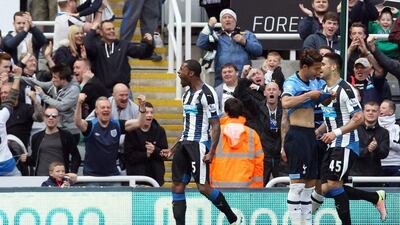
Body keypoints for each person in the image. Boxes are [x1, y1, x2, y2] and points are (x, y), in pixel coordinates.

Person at [160, 60, 242, 225]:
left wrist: (211, 151)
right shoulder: (186, 94)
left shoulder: (207, 93)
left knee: (203, 187)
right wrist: (173, 149)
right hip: (184, 144)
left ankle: (233, 219)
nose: (178, 73)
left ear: (191, 73)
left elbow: (215, 124)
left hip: (199, 145)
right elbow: (186, 127)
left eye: (181, 70)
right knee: (176, 186)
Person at [316, 52, 387, 224]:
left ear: (333, 67)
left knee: (331, 185)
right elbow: (334, 116)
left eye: (323, 64)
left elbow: (358, 117)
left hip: (347, 143)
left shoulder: (346, 89)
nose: (320, 68)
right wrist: (319, 131)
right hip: (332, 144)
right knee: (325, 189)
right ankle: (375, 197)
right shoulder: (325, 90)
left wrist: (336, 133)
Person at [281, 49, 324, 225]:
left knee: (309, 187)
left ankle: (307, 222)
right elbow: (285, 103)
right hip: (297, 134)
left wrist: (326, 97)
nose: (318, 72)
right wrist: (308, 95)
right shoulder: (292, 82)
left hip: (311, 135)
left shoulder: (316, 83)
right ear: (305, 67)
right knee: (297, 185)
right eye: (315, 68)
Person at [74, 93, 146, 176]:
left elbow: (139, 123)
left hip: (112, 175)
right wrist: (79, 102)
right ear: (96, 110)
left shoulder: (117, 125)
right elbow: (78, 122)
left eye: (108, 107)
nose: (106, 109)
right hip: (92, 176)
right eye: (103, 107)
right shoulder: (90, 126)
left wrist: (142, 107)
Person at [196, 8, 263, 87]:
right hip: (221, 81)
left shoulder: (246, 35)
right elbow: (201, 43)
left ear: (235, 20)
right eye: (224, 17)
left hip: (243, 79)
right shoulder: (216, 37)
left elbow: (259, 51)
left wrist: (245, 42)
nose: (227, 19)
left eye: (230, 17)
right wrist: (209, 26)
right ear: (221, 22)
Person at [84, 20, 154, 94]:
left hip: (123, 91)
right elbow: (87, 46)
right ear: (101, 32)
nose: (112, 31)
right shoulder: (97, 47)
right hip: (103, 92)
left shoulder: (123, 45)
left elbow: (142, 53)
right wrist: (93, 30)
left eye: (113, 29)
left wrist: (149, 44)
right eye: (108, 29)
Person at [210, 98, 264, 188]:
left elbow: (209, 160)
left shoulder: (216, 133)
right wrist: (257, 189)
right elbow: (259, 164)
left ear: (226, 112)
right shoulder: (252, 134)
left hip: (219, 187)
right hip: (245, 188)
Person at [21, 64, 81, 143]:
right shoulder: (55, 84)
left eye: (55, 77)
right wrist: (17, 78)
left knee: (69, 154)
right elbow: (38, 83)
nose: (52, 80)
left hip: (71, 131)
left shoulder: (74, 90)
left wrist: (43, 96)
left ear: (63, 79)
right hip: (58, 128)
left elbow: (62, 106)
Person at [22, 107, 81, 176]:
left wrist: (72, 173)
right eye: (47, 116)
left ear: (58, 118)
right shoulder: (36, 137)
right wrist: (26, 160)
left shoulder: (66, 136)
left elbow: (76, 157)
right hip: (39, 178)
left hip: (60, 178)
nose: (50, 118)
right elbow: (35, 160)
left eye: (54, 116)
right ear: (44, 118)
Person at [124, 102, 168, 186]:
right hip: (136, 179)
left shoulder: (160, 131)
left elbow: (165, 153)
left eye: (151, 112)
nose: (149, 115)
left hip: (156, 178)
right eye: (147, 112)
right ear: (140, 115)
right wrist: (145, 154)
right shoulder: (131, 131)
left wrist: (155, 150)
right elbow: (128, 156)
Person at [349, 101, 389, 186]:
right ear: (363, 112)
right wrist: (368, 149)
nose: (371, 113)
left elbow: (384, 154)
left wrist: (376, 148)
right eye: (368, 110)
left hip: (376, 177)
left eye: (374, 111)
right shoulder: (353, 130)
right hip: (355, 177)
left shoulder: (384, 132)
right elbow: (351, 152)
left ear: (378, 113)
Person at [0, 65, 23, 176]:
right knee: (18, 181)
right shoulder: (1, 117)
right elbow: (11, 98)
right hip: (6, 163)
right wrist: (17, 77)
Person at [378, 100, 400, 186]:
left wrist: (388, 143)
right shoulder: (374, 126)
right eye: (379, 108)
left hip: (395, 164)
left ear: (391, 111)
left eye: (383, 108)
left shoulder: (397, 128)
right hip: (379, 165)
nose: (380, 110)